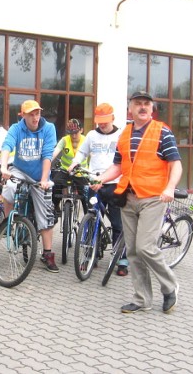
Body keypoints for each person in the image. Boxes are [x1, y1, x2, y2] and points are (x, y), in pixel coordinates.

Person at [93, 91, 182, 314]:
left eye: (146, 104)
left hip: (153, 198)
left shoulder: (162, 132)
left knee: (145, 247)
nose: (142, 107)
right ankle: (142, 299)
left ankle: (170, 286)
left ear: (152, 109)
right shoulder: (124, 135)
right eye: (137, 104)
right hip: (128, 198)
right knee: (132, 251)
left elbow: (176, 164)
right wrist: (101, 179)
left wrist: (170, 187)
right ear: (130, 109)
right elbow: (118, 166)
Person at [0, 100, 58, 272]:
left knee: (45, 213)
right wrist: (3, 167)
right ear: (23, 115)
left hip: (41, 175)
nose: (35, 118)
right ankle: (8, 222)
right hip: (20, 170)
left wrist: (44, 179)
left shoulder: (48, 128)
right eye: (31, 114)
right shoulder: (16, 129)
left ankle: (47, 254)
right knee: (9, 187)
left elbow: (48, 155)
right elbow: (7, 146)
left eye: (37, 113)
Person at [69, 103, 127, 276]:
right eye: (99, 121)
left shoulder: (121, 135)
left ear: (112, 118)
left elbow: (126, 160)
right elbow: (82, 153)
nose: (102, 124)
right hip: (94, 182)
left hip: (115, 184)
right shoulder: (92, 136)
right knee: (91, 219)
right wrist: (74, 163)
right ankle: (89, 255)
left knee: (117, 223)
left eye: (105, 121)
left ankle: (122, 260)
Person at [52, 119, 89, 215]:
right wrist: (47, 163)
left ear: (81, 130)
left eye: (76, 133)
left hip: (80, 172)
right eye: (71, 133)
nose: (73, 136)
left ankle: (88, 219)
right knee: (55, 184)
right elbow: (55, 152)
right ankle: (56, 206)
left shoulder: (86, 140)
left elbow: (93, 155)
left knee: (85, 195)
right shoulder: (64, 140)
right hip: (65, 170)